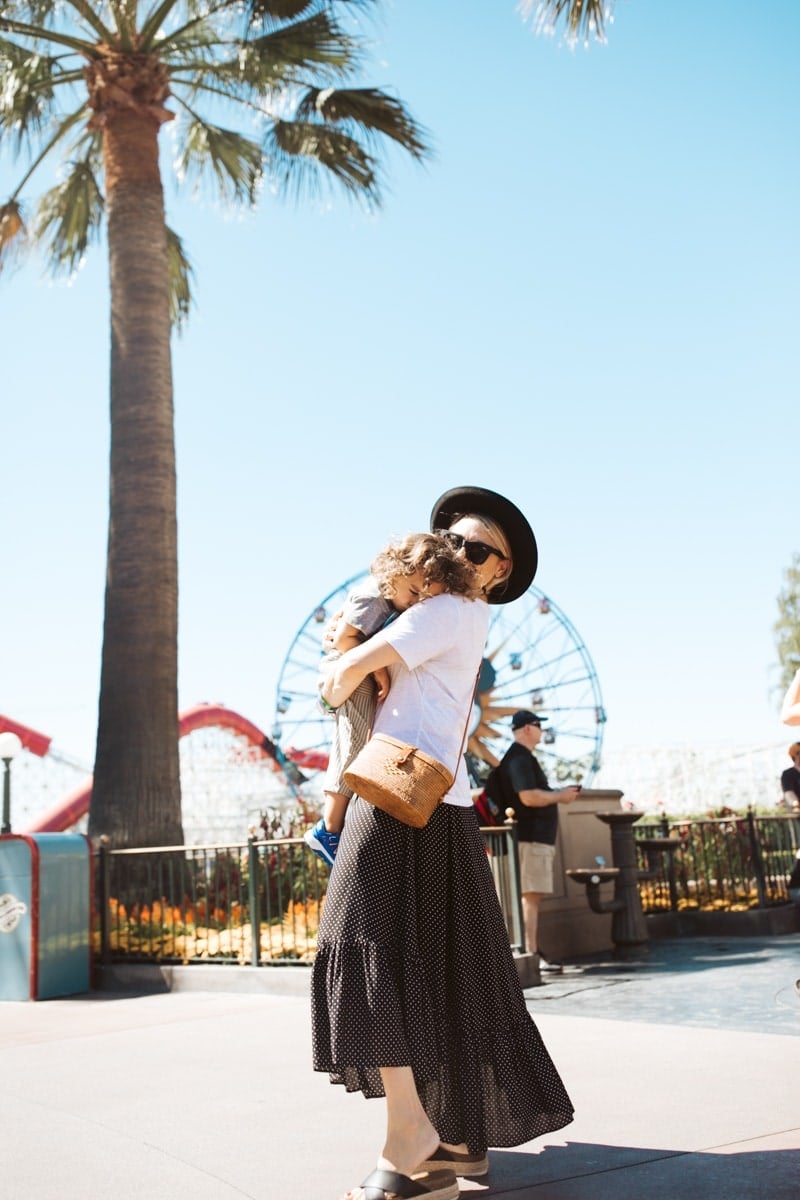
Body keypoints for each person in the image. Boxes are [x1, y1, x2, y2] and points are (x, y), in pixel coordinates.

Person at [312, 486, 574, 1200]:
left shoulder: (444, 611)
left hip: (395, 792)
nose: (461, 553)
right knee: (454, 971)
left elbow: (337, 684)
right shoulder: (464, 618)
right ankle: (460, 1139)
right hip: (446, 807)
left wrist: (353, 638)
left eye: (478, 548)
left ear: (500, 572)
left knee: (355, 940)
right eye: (452, 540)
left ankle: (412, 1138)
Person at [305, 532, 476, 867]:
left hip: (357, 674)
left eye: (424, 598)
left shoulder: (399, 599)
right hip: (349, 675)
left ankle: (333, 825)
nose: (416, 601)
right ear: (394, 572)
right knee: (352, 745)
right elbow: (344, 641)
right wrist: (378, 670)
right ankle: (329, 829)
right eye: (413, 592)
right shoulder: (373, 596)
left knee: (358, 743)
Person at [489, 711, 581, 964]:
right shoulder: (519, 759)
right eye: (538, 726)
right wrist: (559, 796)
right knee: (530, 896)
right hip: (529, 839)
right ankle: (531, 954)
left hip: (528, 839)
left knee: (529, 895)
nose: (542, 731)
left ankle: (528, 951)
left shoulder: (518, 758)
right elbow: (528, 797)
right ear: (527, 729)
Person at [780, 743, 800, 813]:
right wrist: (795, 805)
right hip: (797, 814)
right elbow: (789, 794)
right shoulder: (788, 774)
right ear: (796, 755)